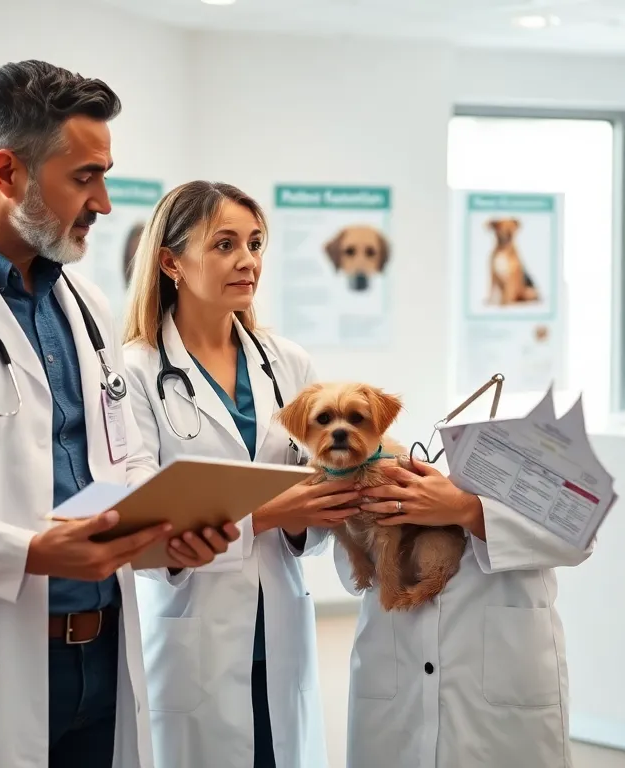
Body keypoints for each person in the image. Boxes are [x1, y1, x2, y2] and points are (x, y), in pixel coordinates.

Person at [0, 61, 236, 768]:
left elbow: (122, 459)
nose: (103, 201)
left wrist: (167, 530)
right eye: (84, 177)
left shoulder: (88, 306)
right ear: (7, 173)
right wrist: (27, 552)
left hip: (108, 649)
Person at [120, 181, 361, 768]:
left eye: (255, 243)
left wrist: (322, 509)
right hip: (190, 630)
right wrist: (280, 512)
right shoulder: (134, 370)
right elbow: (142, 528)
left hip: (277, 623)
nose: (247, 260)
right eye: (224, 244)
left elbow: (316, 494)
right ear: (171, 261)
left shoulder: (287, 362)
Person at [339, 455, 594, 767]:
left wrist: (467, 510)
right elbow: (352, 563)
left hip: (500, 663)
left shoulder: (538, 426)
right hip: (393, 656)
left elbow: (578, 534)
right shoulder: (369, 422)